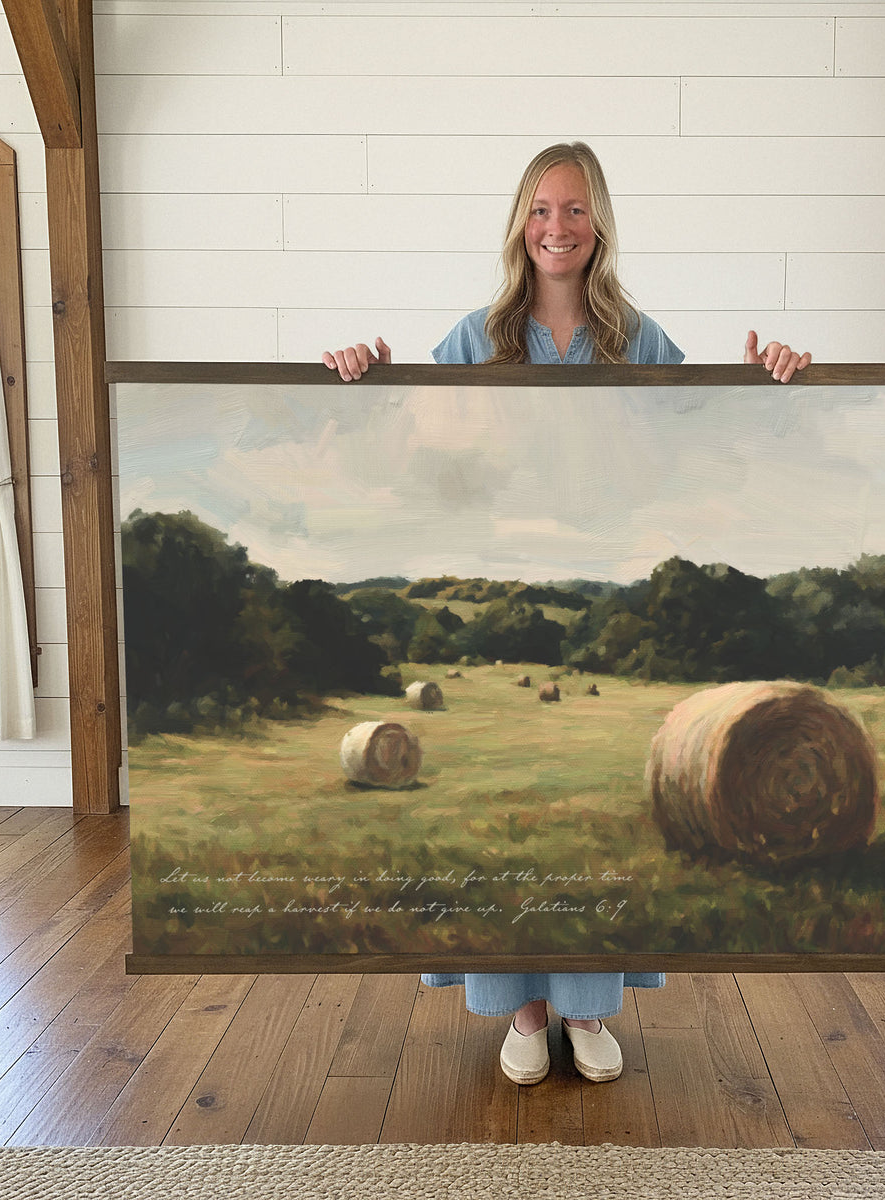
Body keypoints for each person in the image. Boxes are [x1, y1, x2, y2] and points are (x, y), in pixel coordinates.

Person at [324, 142, 810, 1087]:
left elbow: (703, 443)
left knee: (604, 805)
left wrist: (775, 377)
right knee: (503, 814)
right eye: (542, 208)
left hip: (607, 557)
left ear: (600, 224)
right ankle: (529, 1009)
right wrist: (364, 376)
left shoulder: (643, 340)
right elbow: (418, 454)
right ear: (520, 221)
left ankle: (586, 1010)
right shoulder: (471, 338)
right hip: (503, 551)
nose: (558, 226)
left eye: (577, 209)